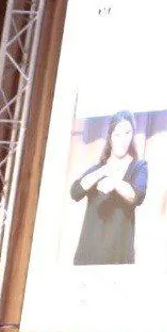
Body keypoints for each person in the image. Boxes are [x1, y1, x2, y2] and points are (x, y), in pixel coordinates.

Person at [69, 110, 149, 265]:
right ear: (110, 137)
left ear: (132, 135)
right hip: (89, 255)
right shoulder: (99, 169)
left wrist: (114, 182)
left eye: (127, 133)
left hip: (118, 256)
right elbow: (75, 191)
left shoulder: (139, 167)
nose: (123, 140)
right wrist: (102, 172)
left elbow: (136, 196)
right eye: (117, 134)